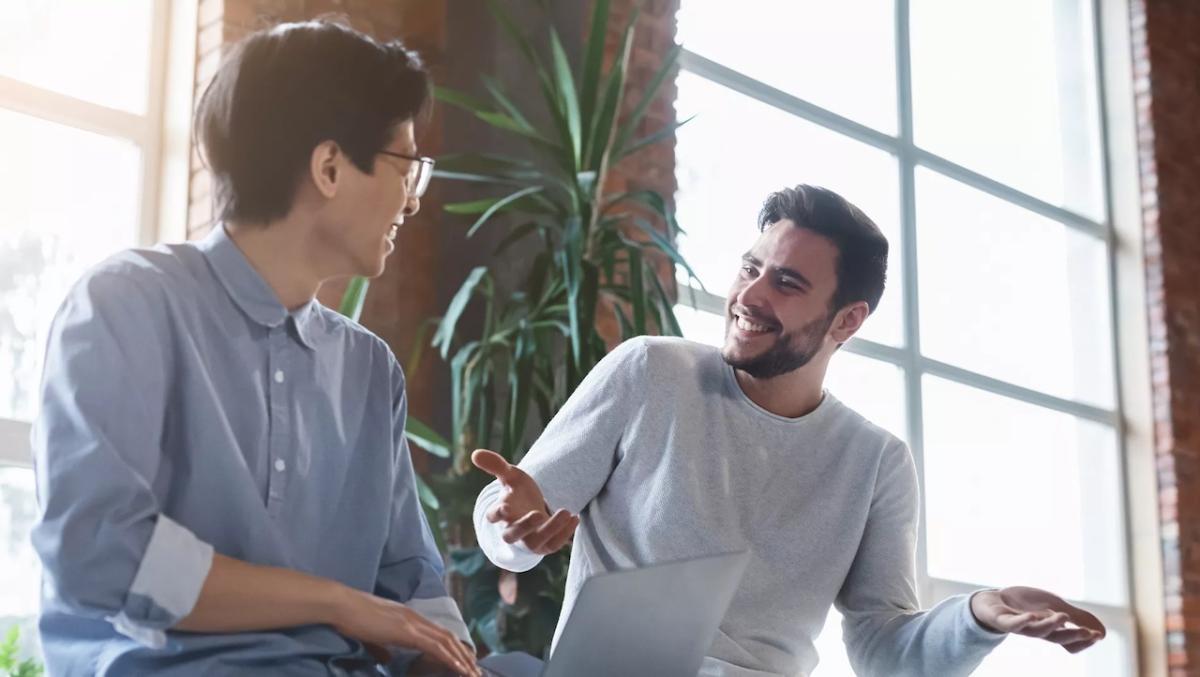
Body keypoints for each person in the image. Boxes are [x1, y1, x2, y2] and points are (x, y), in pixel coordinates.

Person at [471, 185, 1106, 677]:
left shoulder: (875, 462)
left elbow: (885, 653)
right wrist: (509, 523)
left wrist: (978, 616)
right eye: (750, 268)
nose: (751, 296)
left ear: (847, 321)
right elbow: (516, 525)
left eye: (787, 283)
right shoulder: (650, 371)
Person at [31, 19, 479, 677]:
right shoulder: (126, 304)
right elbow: (104, 551)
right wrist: (335, 602)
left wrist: (448, 661)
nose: (411, 204)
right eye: (406, 166)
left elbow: (409, 581)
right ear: (329, 167)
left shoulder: (369, 370)